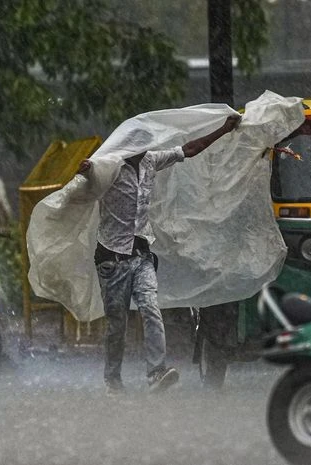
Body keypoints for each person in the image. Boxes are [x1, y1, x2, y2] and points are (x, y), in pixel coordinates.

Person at [77, 115, 241, 395]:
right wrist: (86, 172)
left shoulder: (151, 161)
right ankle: (112, 379)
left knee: (151, 309)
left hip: (141, 256)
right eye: (139, 144)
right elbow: (88, 178)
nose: (143, 148)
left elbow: (188, 150)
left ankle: (156, 372)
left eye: (146, 144)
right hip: (112, 260)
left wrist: (224, 130)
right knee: (117, 325)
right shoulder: (110, 166)